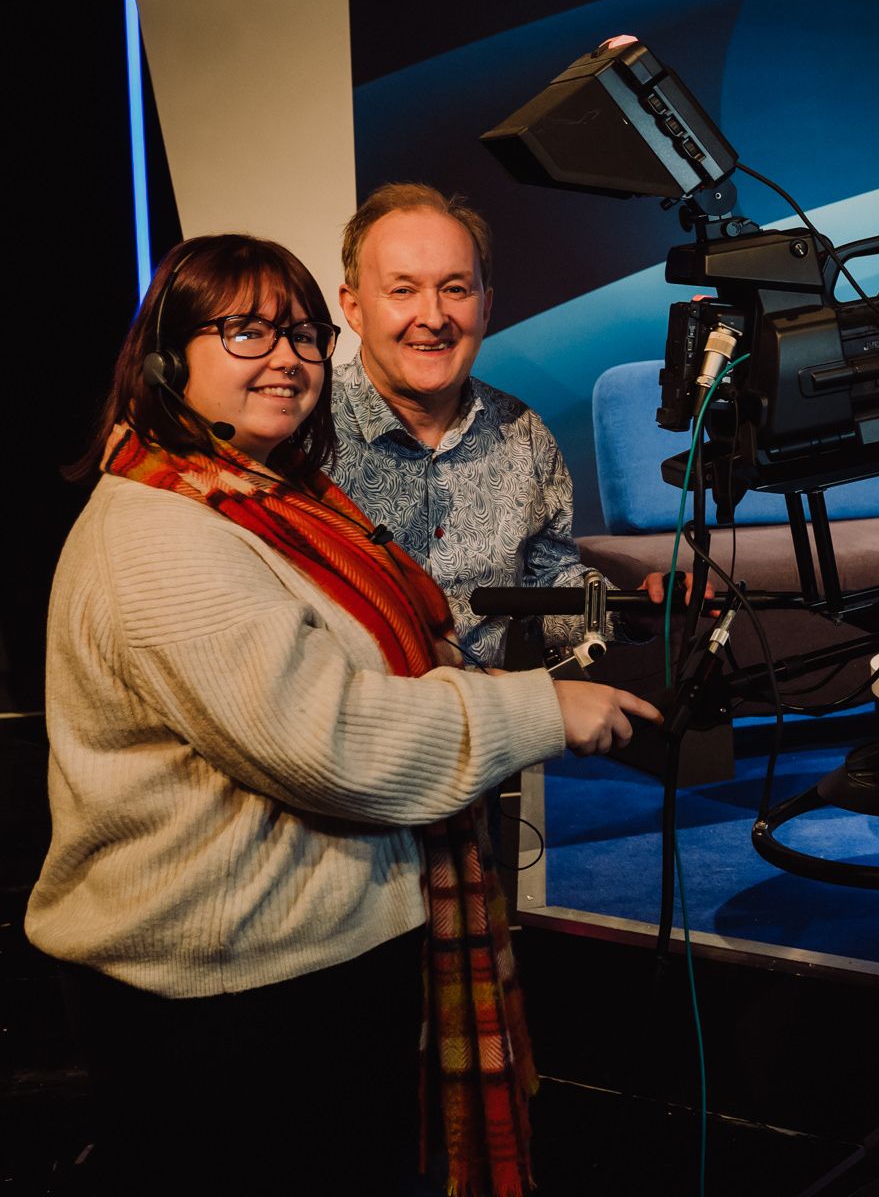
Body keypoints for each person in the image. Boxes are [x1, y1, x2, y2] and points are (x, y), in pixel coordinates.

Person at [31, 234, 661, 1196]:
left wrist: (610, 620)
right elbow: (333, 744)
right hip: (228, 1000)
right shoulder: (165, 538)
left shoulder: (268, 495)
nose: (285, 357)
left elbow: (491, 601)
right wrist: (537, 711)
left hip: (310, 963)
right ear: (167, 358)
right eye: (245, 331)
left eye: (298, 335)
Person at [329, 183, 673, 668]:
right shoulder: (300, 431)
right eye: (403, 290)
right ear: (354, 309)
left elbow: (548, 583)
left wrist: (628, 613)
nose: (433, 317)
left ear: (485, 306)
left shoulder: (523, 433)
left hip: (490, 725)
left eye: (455, 289)